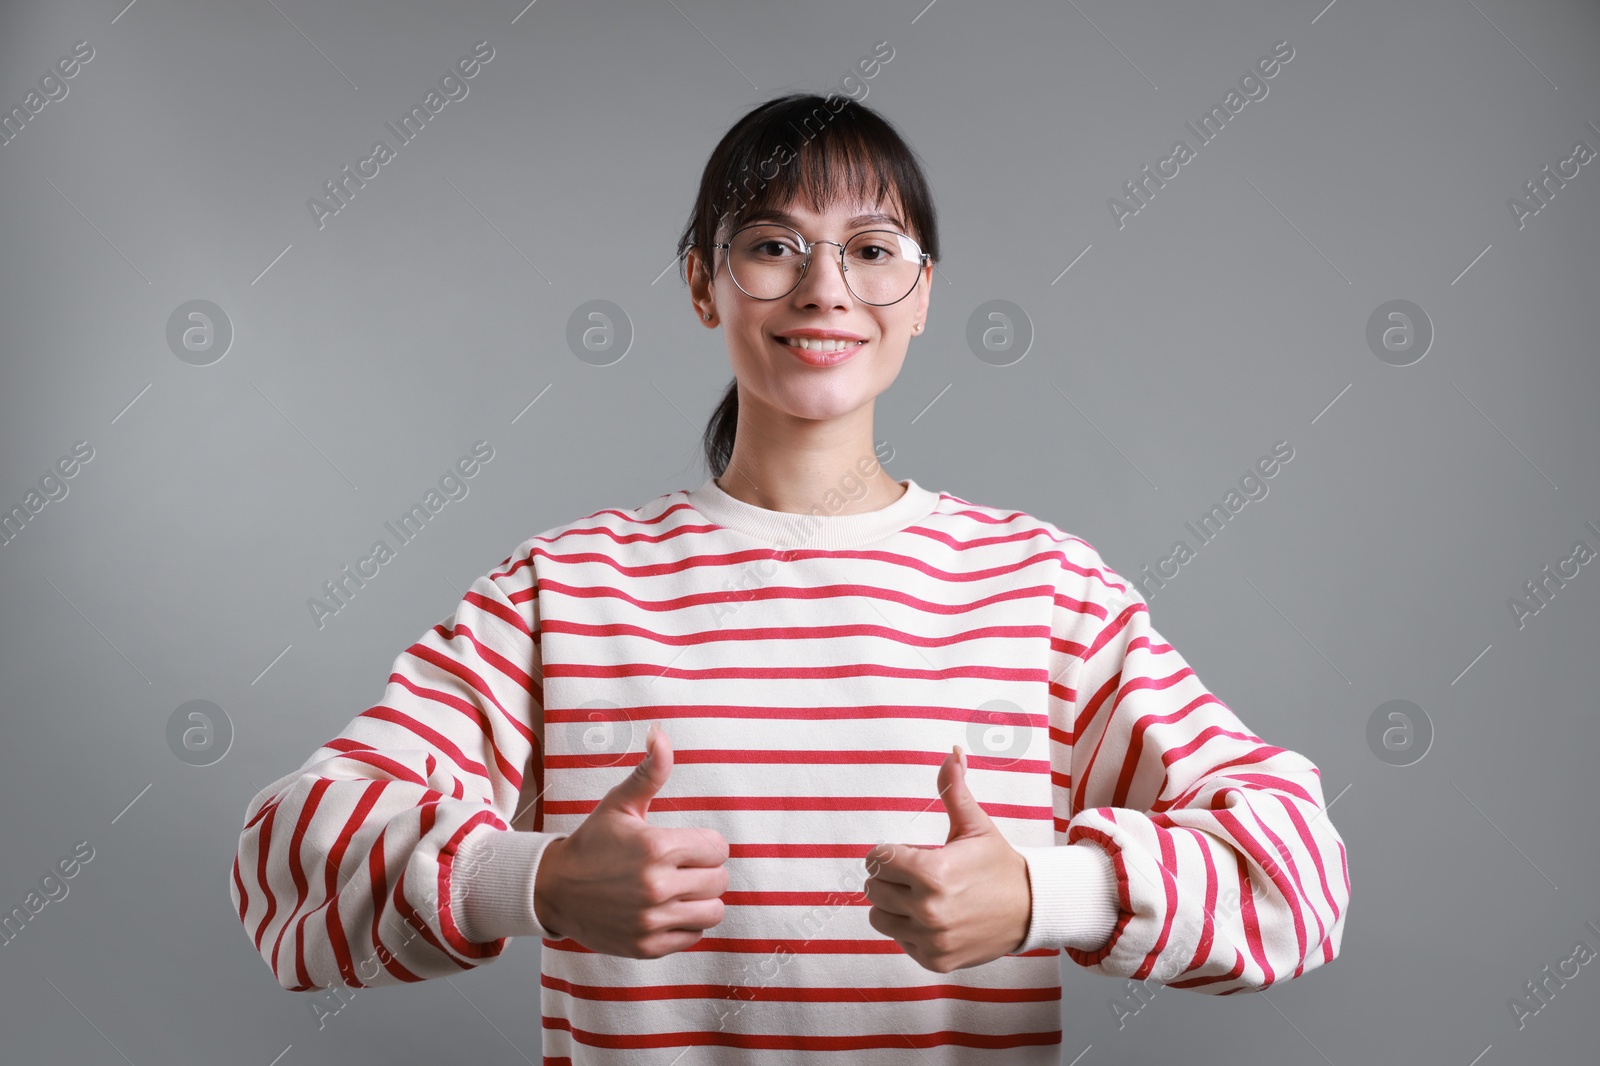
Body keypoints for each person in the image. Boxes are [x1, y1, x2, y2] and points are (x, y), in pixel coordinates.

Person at [232, 92, 1350, 1063]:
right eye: (772, 245)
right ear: (702, 285)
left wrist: (1048, 894)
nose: (825, 287)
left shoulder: (1044, 592)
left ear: (920, 295)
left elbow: (1297, 877)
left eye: (872, 249)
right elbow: (288, 856)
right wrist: (539, 883)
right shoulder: (564, 592)